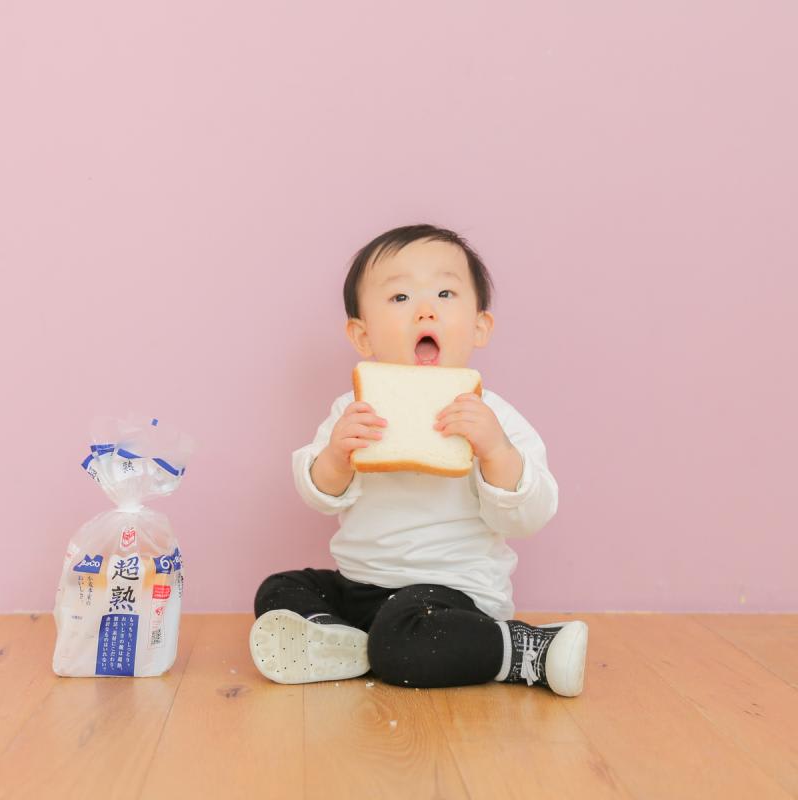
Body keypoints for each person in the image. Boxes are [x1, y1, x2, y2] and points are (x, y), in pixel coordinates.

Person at [250, 224, 587, 696]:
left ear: (479, 326)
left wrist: (494, 452)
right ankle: (343, 642)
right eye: (400, 297)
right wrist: (337, 457)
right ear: (362, 335)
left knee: (406, 634)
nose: (425, 309)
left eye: (445, 293)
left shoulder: (493, 417)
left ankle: (524, 647)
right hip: (360, 584)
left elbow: (530, 515)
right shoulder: (355, 409)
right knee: (279, 589)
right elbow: (320, 495)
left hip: (450, 597)